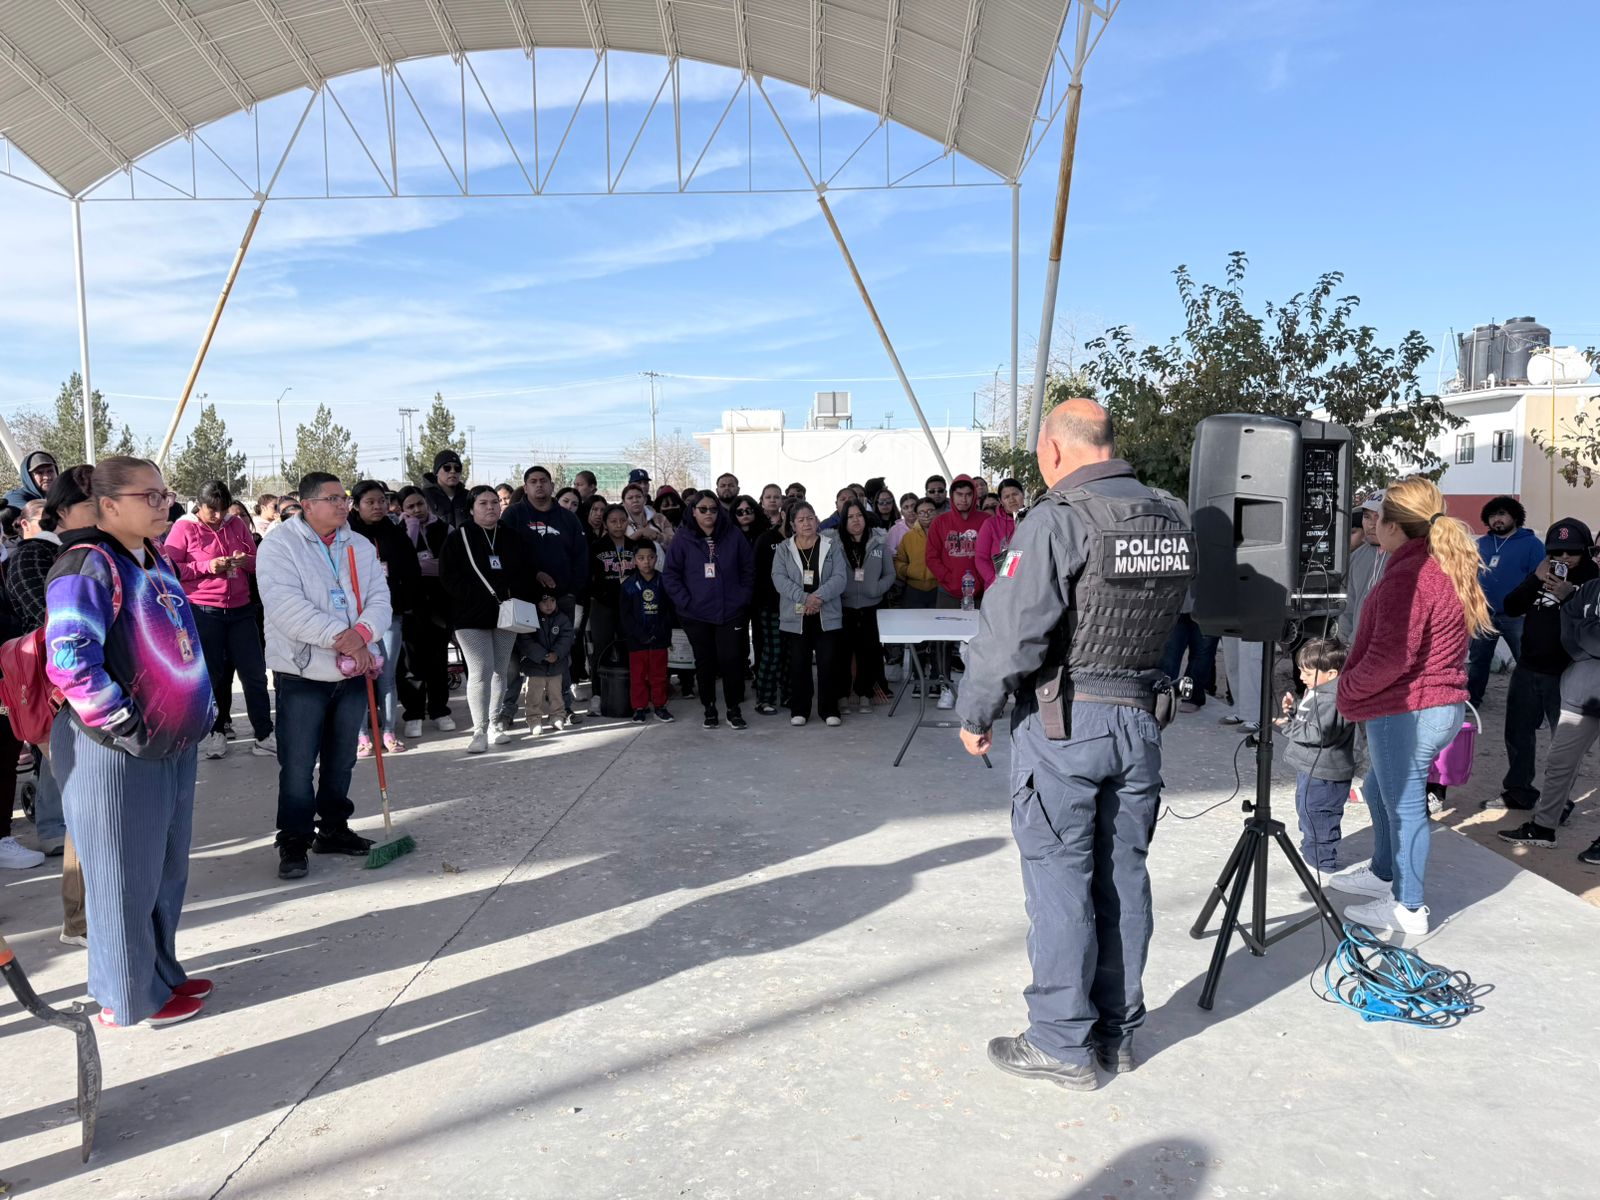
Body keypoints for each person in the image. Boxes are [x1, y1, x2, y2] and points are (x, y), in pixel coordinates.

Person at [956, 399, 1192, 1090]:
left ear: (1053, 451)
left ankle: (1061, 1041)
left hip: (1066, 724)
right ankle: (1116, 1035)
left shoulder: (1058, 520)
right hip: (1139, 720)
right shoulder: (1170, 516)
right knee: (1123, 878)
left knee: (1060, 881)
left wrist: (977, 711)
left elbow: (1011, 632)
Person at [45, 456, 216, 1026]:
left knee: (164, 870)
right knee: (121, 876)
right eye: (150, 495)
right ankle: (125, 996)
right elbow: (70, 662)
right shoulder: (85, 565)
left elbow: (181, 639)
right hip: (115, 751)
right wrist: (125, 726)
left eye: (166, 494)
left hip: (173, 743)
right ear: (109, 505)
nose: (164, 503)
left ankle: (160, 973)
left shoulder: (155, 556)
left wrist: (202, 707)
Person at [1332, 476, 1488, 936]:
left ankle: (1409, 906)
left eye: (1376, 515)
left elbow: (1390, 657)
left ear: (1391, 524)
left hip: (1411, 709)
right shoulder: (1430, 564)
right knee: (1381, 790)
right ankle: (1384, 872)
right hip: (1429, 706)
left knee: (1404, 805)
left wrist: (1347, 690)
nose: (1371, 521)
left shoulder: (1411, 575)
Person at [258, 472, 392, 880]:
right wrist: (343, 638)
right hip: (302, 672)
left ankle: (333, 828)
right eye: (332, 498)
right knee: (298, 764)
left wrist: (364, 634)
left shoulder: (359, 545)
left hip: (351, 672)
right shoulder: (280, 546)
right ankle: (294, 840)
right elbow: (285, 607)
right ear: (308, 504)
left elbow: (379, 598)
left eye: (344, 498)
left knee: (341, 758)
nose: (342, 505)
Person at [8, 465, 97, 872]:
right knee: (57, 755)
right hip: (48, 671)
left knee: (63, 756)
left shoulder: (71, 552)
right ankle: (51, 827)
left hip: (61, 668)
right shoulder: (33, 555)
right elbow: (39, 612)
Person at [1499, 526, 1600, 853]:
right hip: (1579, 691)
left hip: (1570, 681)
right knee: (1558, 763)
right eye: (1557, 552)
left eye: (1573, 552)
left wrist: (1573, 607)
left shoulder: (1581, 587)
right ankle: (1543, 827)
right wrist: (1540, 583)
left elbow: (1587, 640)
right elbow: (1574, 641)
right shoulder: (1588, 590)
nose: (1564, 558)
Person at [164, 480, 274, 761]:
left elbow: (255, 560)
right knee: (213, 675)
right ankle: (216, 732)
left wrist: (243, 560)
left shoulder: (235, 524)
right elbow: (170, 568)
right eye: (211, 510)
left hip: (241, 610)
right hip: (203, 611)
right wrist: (207, 567)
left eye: (222, 510)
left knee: (254, 673)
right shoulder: (183, 528)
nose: (217, 516)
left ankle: (264, 734)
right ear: (198, 506)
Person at [440, 486, 538, 752]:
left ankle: (495, 724)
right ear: (471, 509)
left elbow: (524, 572)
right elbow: (449, 577)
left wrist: (513, 595)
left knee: (500, 670)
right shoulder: (459, 537)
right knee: (480, 670)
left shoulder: (511, 536)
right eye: (483, 503)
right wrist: (477, 598)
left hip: (506, 615)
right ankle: (479, 730)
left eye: (495, 502)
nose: (491, 507)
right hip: (470, 616)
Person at [502, 465, 588, 726]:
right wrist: (531, 576)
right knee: (515, 660)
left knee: (560, 654)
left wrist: (572, 591)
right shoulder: (514, 515)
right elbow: (507, 553)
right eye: (533, 481)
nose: (539, 485)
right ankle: (507, 711)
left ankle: (562, 708)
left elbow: (581, 557)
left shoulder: (567, 518)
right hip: (524, 600)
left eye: (543, 481)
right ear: (525, 487)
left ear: (552, 486)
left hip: (562, 598)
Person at [663, 492, 754, 729]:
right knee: (705, 662)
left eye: (713, 509)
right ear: (693, 511)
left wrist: (741, 598)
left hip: (730, 611)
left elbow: (748, 569)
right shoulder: (682, 538)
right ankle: (709, 707)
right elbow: (671, 574)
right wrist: (686, 602)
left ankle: (733, 708)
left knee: (731, 660)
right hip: (696, 614)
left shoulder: (732, 534)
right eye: (702, 509)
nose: (708, 514)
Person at [348, 480, 421, 755]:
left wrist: (406, 602)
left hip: (390, 615)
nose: (377, 506)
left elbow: (410, 570)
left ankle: (389, 731)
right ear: (356, 505)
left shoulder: (395, 532)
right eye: (370, 502)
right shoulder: (348, 535)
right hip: (356, 620)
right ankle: (361, 734)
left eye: (381, 500)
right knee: (358, 675)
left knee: (387, 675)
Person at [1274, 638, 1355, 872]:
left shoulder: (1332, 697)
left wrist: (1287, 725)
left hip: (1325, 772)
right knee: (1307, 809)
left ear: (1331, 673)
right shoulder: (1318, 690)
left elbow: (1319, 733)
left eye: (1307, 672)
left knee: (1320, 814)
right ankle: (1311, 851)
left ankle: (1322, 862)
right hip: (1311, 767)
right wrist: (1295, 708)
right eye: (1300, 670)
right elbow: (1312, 716)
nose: (1301, 677)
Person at [773, 501, 848, 726]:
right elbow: (779, 579)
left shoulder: (831, 544)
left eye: (811, 518)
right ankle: (800, 709)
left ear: (817, 520)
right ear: (793, 524)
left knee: (828, 663)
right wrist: (805, 598)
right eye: (801, 520)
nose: (807, 523)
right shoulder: (784, 549)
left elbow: (840, 577)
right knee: (799, 664)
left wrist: (817, 598)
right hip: (796, 614)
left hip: (826, 613)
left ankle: (829, 710)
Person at [1468, 496, 1545, 706]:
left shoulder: (1532, 545)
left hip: (1517, 616)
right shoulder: (1480, 544)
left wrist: (1529, 609)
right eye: (1492, 515)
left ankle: (1534, 708)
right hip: (1484, 614)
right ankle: (1472, 701)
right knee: (1478, 661)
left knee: (1527, 662)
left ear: (1515, 516)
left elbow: (1540, 580)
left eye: (1502, 514)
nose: (1497, 520)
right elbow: (1469, 577)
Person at [395, 485, 456, 737]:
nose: (417, 510)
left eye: (420, 504)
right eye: (410, 506)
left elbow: (449, 563)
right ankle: (414, 713)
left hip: (439, 602)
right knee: (411, 662)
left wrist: (426, 566)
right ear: (401, 509)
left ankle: (440, 710)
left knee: (438, 660)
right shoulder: (396, 531)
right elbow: (401, 563)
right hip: (410, 603)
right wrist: (410, 532)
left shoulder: (444, 528)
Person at [833, 499, 895, 712]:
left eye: (859, 515)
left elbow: (890, 574)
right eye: (850, 517)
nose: (856, 520)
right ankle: (842, 693)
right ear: (844, 521)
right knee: (842, 652)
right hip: (844, 607)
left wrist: (876, 589)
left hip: (871, 606)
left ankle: (865, 693)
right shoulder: (835, 544)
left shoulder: (878, 542)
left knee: (868, 652)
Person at [621, 541, 675, 721]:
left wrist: (659, 631)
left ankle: (660, 705)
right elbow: (625, 615)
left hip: (659, 638)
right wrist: (640, 634)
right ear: (635, 560)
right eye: (641, 558)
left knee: (659, 675)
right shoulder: (628, 585)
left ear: (656, 559)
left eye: (651, 558)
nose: (646, 562)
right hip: (637, 641)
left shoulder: (664, 582)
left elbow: (669, 611)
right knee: (638, 675)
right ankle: (639, 707)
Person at [750, 501, 791, 716]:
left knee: (790, 653)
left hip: (796, 607)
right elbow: (756, 573)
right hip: (771, 605)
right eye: (794, 516)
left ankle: (787, 693)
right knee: (773, 652)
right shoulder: (767, 539)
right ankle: (764, 697)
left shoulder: (804, 540)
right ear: (783, 515)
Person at [588, 504, 641, 669]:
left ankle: (629, 687)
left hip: (630, 603)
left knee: (629, 644)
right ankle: (599, 691)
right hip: (603, 604)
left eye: (623, 520)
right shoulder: (596, 547)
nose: (619, 525)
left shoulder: (635, 547)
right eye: (613, 521)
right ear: (605, 524)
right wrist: (604, 590)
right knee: (602, 646)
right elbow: (590, 578)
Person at [516, 593, 574, 737]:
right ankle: (534, 720)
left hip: (556, 665)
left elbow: (567, 637)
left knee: (556, 693)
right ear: (537, 603)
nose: (549, 605)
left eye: (553, 600)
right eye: (544, 601)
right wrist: (543, 655)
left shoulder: (562, 619)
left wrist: (557, 653)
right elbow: (525, 640)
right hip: (535, 666)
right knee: (533, 694)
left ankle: (557, 716)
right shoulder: (530, 618)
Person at [1338, 491, 1388, 645]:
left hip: (1389, 653)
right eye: (1367, 517)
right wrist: (1345, 641)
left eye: (1377, 516)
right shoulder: (1355, 557)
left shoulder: (1406, 558)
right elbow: (1347, 605)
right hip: (1355, 649)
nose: (1371, 524)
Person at [974, 478, 1025, 588]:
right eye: (1006, 497)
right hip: (998, 588)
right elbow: (981, 558)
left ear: (1023, 495)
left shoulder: (1034, 520)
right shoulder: (990, 524)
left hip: (1028, 586)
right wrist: (995, 581)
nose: (1011, 500)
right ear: (1001, 501)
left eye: (1015, 494)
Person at [423, 450, 473, 532]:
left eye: (457, 468)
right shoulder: (425, 496)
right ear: (436, 472)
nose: (453, 471)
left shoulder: (468, 496)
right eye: (447, 467)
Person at [3, 450, 58, 520]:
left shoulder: (62, 493)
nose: (47, 477)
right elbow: (42, 516)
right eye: (40, 473)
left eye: (50, 471)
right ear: (28, 477)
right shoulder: (14, 497)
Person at [623, 482, 672, 549]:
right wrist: (639, 533)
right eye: (630, 498)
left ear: (645, 500)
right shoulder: (619, 521)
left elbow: (674, 543)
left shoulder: (660, 518)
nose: (635, 500)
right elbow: (616, 547)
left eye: (638, 497)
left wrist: (657, 536)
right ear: (624, 502)